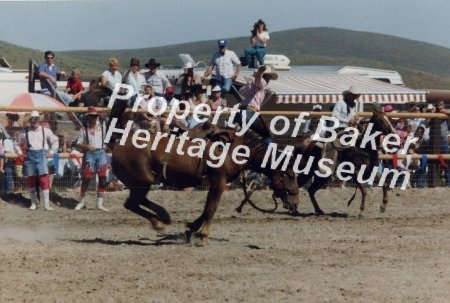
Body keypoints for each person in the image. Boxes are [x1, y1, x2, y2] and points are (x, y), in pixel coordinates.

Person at [19, 111, 59, 210]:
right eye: (33, 119)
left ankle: (46, 205)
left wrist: (52, 152)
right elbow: (16, 143)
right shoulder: (25, 132)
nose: (35, 121)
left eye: (37, 119)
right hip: (30, 155)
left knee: (44, 179)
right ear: (30, 120)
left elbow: (55, 140)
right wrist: (20, 153)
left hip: (42, 156)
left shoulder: (46, 131)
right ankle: (34, 203)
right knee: (31, 180)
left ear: (39, 120)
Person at [74, 107, 109, 211]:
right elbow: (78, 143)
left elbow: (105, 137)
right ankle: (81, 202)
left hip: (101, 152)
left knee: (103, 179)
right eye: (92, 116)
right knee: (87, 178)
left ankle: (99, 204)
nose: (93, 118)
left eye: (95, 116)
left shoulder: (102, 125)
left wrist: (105, 144)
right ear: (88, 117)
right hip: (90, 153)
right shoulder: (83, 129)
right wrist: (87, 146)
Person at [236, 65, 278, 145]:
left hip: (241, 113)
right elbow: (258, 79)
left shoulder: (251, 85)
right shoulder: (262, 81)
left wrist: (250, 82)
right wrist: (259, 72)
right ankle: (267, 153)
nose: (268, 79)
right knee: (267, 135)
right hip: (250, 112)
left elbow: (241, 91)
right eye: (268, 77)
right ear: (264, 76)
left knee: (247, 135)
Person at [0, 129, 22, 195]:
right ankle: (7, 192)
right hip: (8, 162)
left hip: (15, 162)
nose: (16, 137)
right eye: (15, 135)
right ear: (11, 133)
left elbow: (19, 152)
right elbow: (7, 153)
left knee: (13, 177)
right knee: (8, 176)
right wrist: (16, 154)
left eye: (17, 135)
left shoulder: (15, 142)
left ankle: (9, 191)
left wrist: (17, 153)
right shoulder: (7, 141)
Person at [436, 100, 450, 187]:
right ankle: (436, 181)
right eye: (438, 105)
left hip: (443, 140)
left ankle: (448, 182)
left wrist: (444, 111)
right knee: (435, 161)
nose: (439, 107)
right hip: (434, 141)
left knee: (447, 161)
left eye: (441, 105)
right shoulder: (433, 112)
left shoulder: (446, 112)